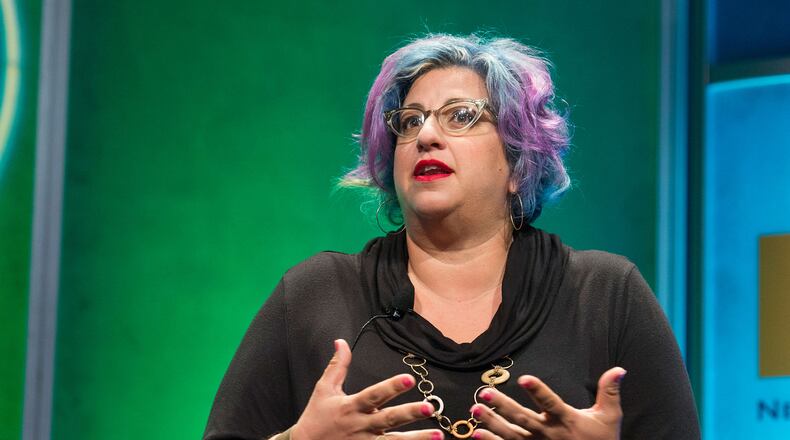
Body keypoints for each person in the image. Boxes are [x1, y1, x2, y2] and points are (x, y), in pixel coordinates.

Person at [204, 34, 700, 440]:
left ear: (519, 161)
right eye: (410, 121)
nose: (426, 136)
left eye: (461, 116)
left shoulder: (605, 294)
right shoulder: (315, 294)